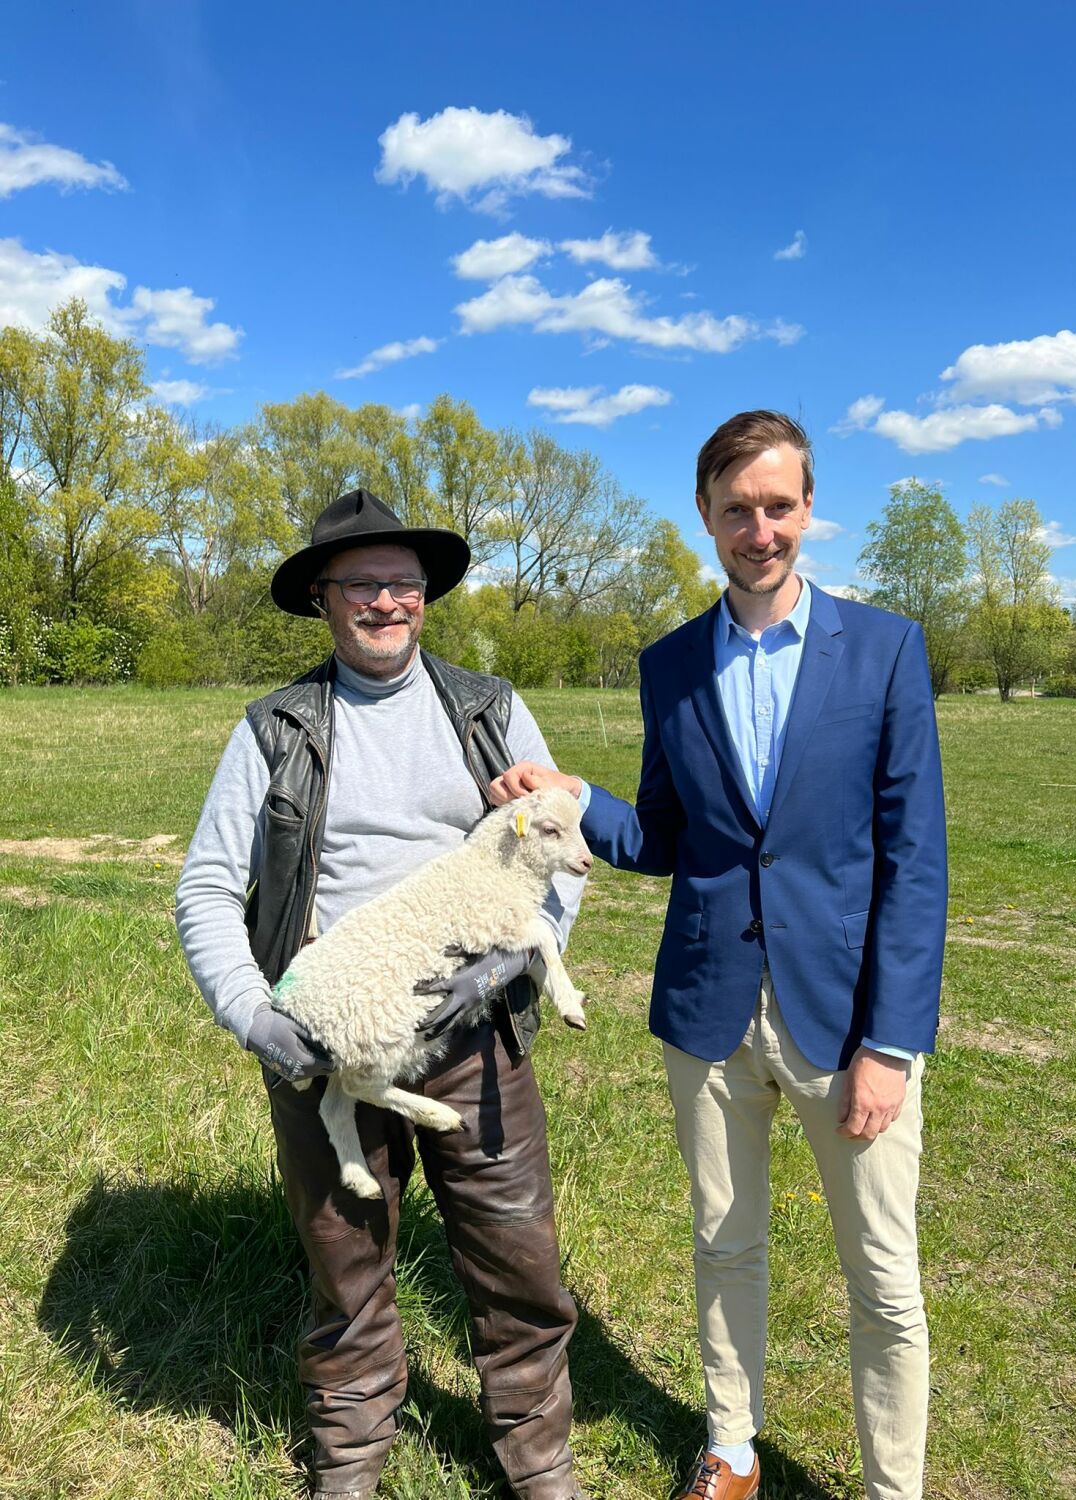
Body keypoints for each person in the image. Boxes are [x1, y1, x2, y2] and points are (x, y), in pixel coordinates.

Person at [490, 412, 947, 1500]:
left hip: (846, 1023)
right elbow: (664, 831)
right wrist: (575, 802)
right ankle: (731, 1450)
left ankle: (896, 1491)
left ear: (807, 509)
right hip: (709, 1010)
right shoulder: (671, 665)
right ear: (705, 515)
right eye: (736, 509)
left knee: (882, 1279)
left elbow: (915, 865)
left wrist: (892, 1044)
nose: (759, 530)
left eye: (778, 506)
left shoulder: (884, 650)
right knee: (725, 1245)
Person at [175, 488, 589, 1500]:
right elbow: (206, 889)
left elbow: (558, 853)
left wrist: (517, 963)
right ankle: (351, 1458)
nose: (384, 601)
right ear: (323, 598)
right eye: (360, 582)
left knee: (518, 1260)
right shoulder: (276, 731)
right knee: (347, 1269)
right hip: (329, 1029)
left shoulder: (490, 712)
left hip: (475, 1029)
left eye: (401, 581)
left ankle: (539, 1461)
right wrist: (261, 1020)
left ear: (425, 596)